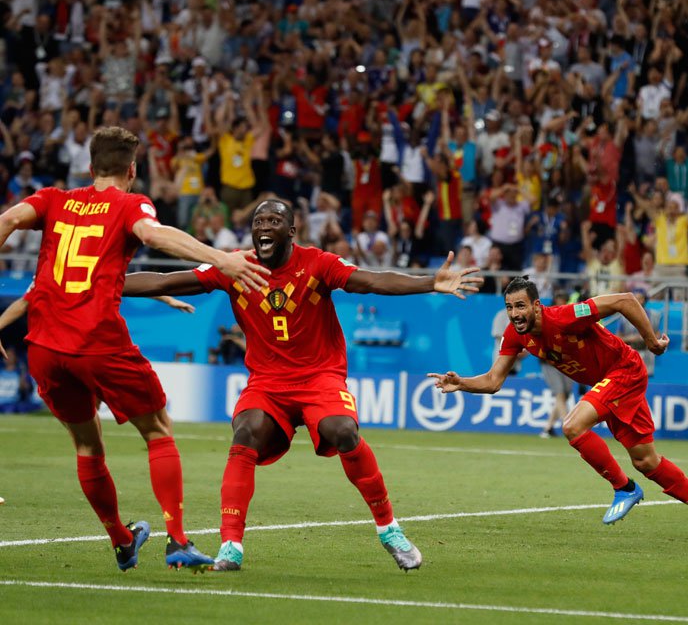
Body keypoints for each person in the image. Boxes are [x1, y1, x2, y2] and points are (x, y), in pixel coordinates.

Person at [120, 199, 482, 572]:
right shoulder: (234, 267)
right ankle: (231, 545)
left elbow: (371, 281)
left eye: (274, 221)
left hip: (319, 377)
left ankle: (389, 528)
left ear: (291, 231)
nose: (264, 227)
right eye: (259, 220)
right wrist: (105, 282)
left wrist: (430, 283)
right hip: (267, 383)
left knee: (342, 431)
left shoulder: (318, 264)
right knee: (244, 433)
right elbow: (165, 281)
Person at [0, 126, 268, 572]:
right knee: (158, 430)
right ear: (132, 169)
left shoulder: (52, 199)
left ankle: (123, 541)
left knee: (87, 446)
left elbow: (6, 220)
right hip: (97, 341)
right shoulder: (130, 204)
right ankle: (178, 540)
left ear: (90, 167)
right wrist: (222, 258)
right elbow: (153, 234)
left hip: (45, 345)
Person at [429, 278, 688, 540]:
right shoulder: (515, 334)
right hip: (610, 383)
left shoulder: (564, 316)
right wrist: (462, 383)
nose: (515, 314)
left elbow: (625, 301)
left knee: (572, 425)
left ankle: (624, 488)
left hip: (624, 370)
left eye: (520, 306)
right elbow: (494, 380)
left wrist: (651, 341)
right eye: (509, 307)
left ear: (536, 306)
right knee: (646, 461)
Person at [539, 291, 573, 438]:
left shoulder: (570, 317)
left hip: (566, 360)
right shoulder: (547, 316)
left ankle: (548, 427)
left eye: (563, 300)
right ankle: (569, 426)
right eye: (558, 299)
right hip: (549, 361)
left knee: (565, 394)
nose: (561, 303)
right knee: (559, 392)